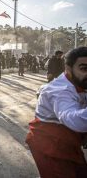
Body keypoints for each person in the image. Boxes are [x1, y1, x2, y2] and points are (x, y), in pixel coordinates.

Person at [26, 47, 87, 178]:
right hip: (50, 147)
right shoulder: (60, 91)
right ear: (69, 68)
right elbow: (72, 118)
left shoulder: (77, 82)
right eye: (84, 68)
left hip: (69, 143)